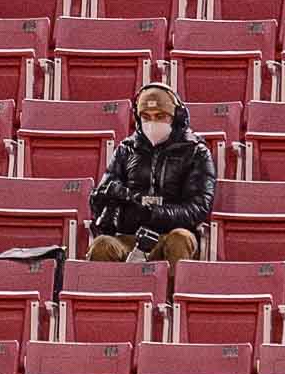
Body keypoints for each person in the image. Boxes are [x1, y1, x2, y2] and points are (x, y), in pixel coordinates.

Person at [86, 82, 217, 265]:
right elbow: (103, 195)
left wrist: (153, 213)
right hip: (129, 236)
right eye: (146, 117)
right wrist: (102, 199)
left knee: (179, 239)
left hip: (171, 235)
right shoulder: (126, 150)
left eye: (160, 116)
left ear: (176, 118)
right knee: (102, 245)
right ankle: (106, 294)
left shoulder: (196, 152)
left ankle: (174, 294)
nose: (152, 122)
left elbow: (199, 208)